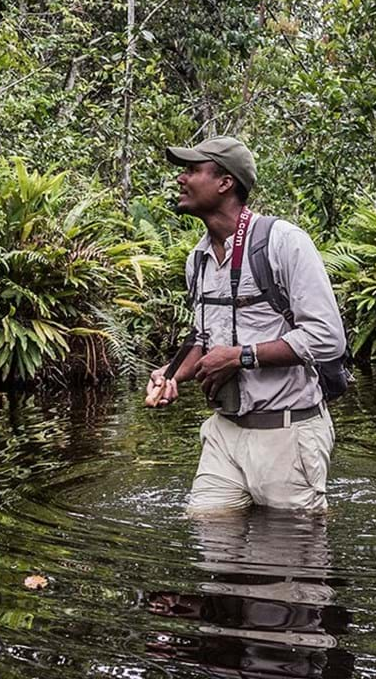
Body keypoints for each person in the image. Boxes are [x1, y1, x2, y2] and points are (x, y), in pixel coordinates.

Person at [144, 136, 348, 514]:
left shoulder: (283, 242)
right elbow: (206, 341)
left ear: (225, 183)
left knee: (291, 559)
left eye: (192, 170)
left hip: (287, 433)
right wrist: (171, 374)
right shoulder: (198, 260)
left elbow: (327, 338)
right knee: (208, 534)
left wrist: (241, 358)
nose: (181, 179)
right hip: (226, 433)